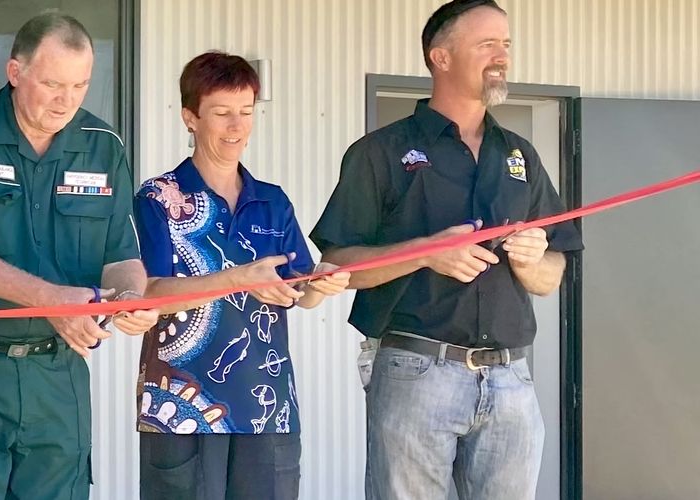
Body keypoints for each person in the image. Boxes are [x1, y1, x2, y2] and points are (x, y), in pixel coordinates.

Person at [309, 1, 583, 498]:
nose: (502, 55)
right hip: (416, 372)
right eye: (486, 44)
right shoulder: (380, 152)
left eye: (506, 44)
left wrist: (531, 260)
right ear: (441, 57)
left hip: (511, 379)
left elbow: (552, 274)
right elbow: (338, 267)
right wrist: (425, 251)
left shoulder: (521, 154)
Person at [0, 12, 157, 500]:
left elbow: (121, 255)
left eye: (81, 84)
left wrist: (128, 299)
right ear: (15, 73)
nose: (68, 100)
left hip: (57, 374)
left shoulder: (104, 146)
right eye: (52, 83)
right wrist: (51, 299)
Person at [131, 52, 351, 500]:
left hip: (268, 408)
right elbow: (152, 293)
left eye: (246, 112)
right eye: (222, 113)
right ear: (190, 118)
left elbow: (299, 290)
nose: (237, 127)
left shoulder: (272, 200)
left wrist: (321, 282)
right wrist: (238, 278)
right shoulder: (158, 197)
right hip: (180, 410)